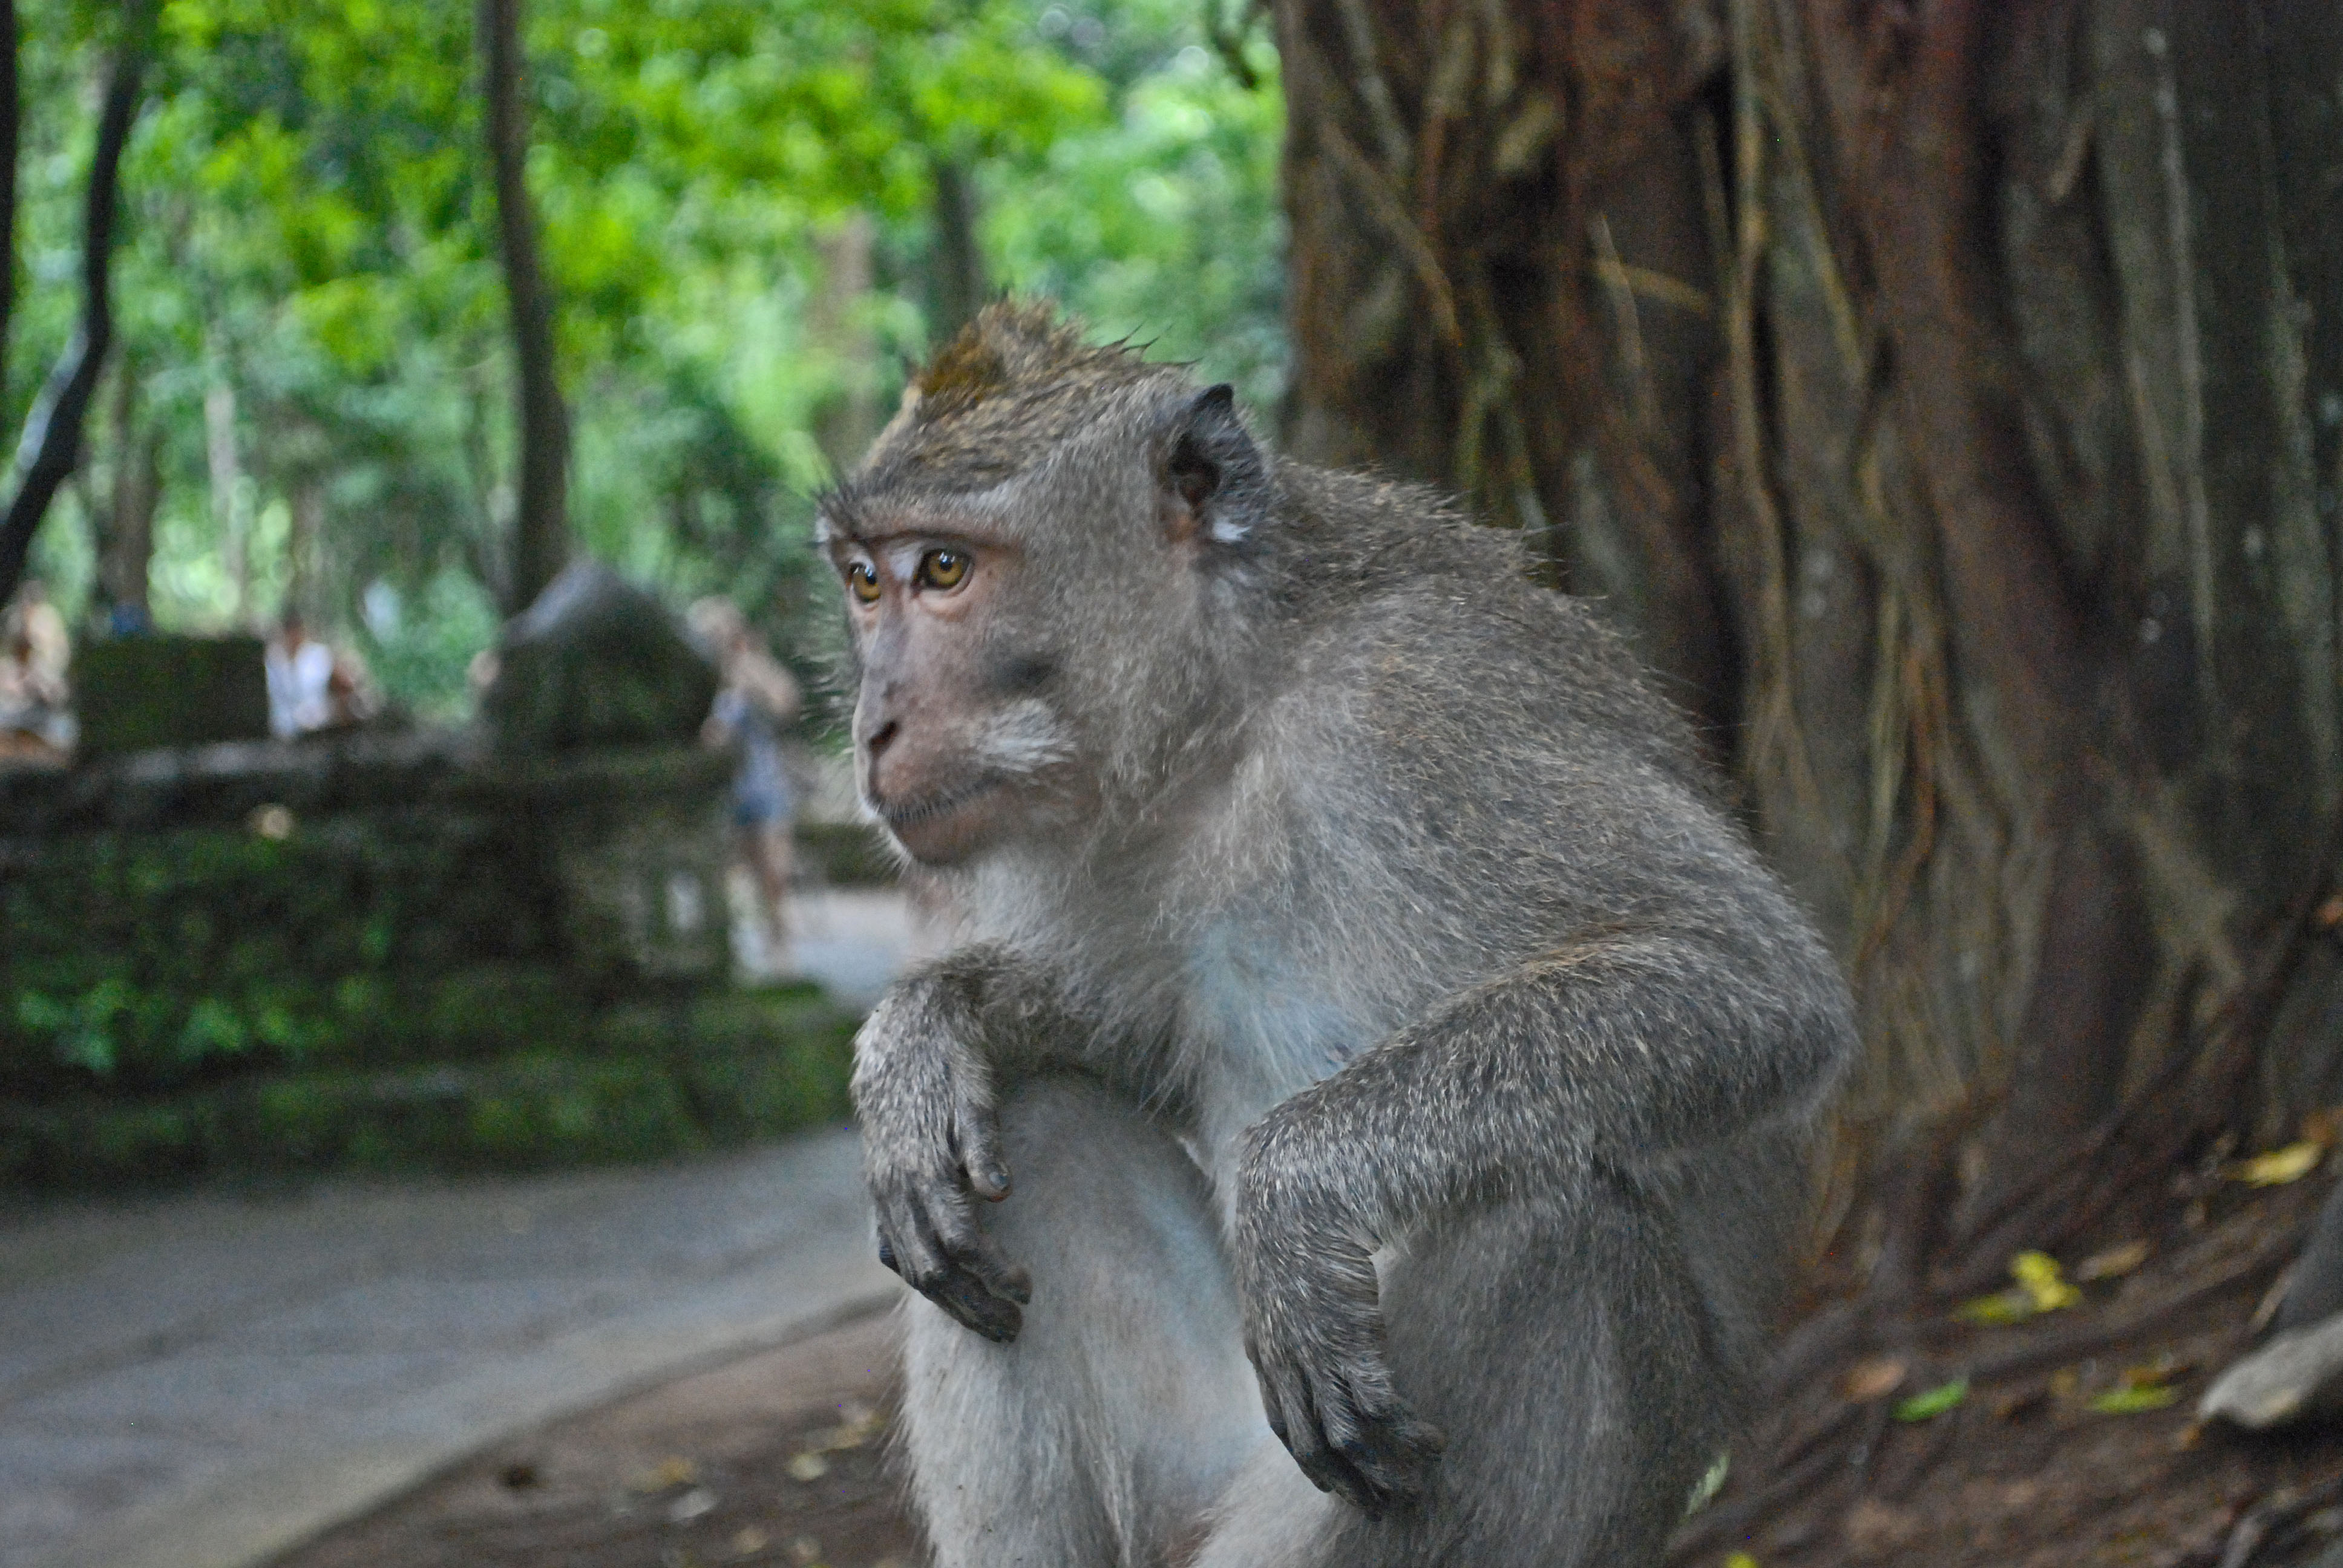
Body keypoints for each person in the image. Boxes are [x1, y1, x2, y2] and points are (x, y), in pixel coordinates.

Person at [689, 597, 802, 962]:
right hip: (719, 791)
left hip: (763, 783)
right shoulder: (698, 680)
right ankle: (726, 948)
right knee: (722, 873)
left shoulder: (753, 669)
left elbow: (786, 703)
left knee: (773, 873)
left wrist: (748, 676)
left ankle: (779, 940)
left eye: (724, 633)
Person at [264, 612, 334, 737]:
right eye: (290, 632)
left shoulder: (320, 656)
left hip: (317, 727)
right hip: (283, 730)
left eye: (297, 631)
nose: (294, 637)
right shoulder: (273, 659)